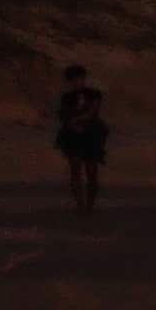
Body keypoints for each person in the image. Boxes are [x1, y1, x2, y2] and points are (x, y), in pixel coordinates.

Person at [56, 64, 108, 214]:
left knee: (91, 170)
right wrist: (72, 123)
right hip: (73, 133)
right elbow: (64, 114)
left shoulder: (94, 93)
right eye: (73, 80)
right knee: (75, 167)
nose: (77, 82)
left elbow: (93, 111)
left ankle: (89, 206)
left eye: (79, 78)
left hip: (91, 133)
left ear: (84, 78)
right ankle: (80, 205)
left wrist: (75, 120)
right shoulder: (66, 97)